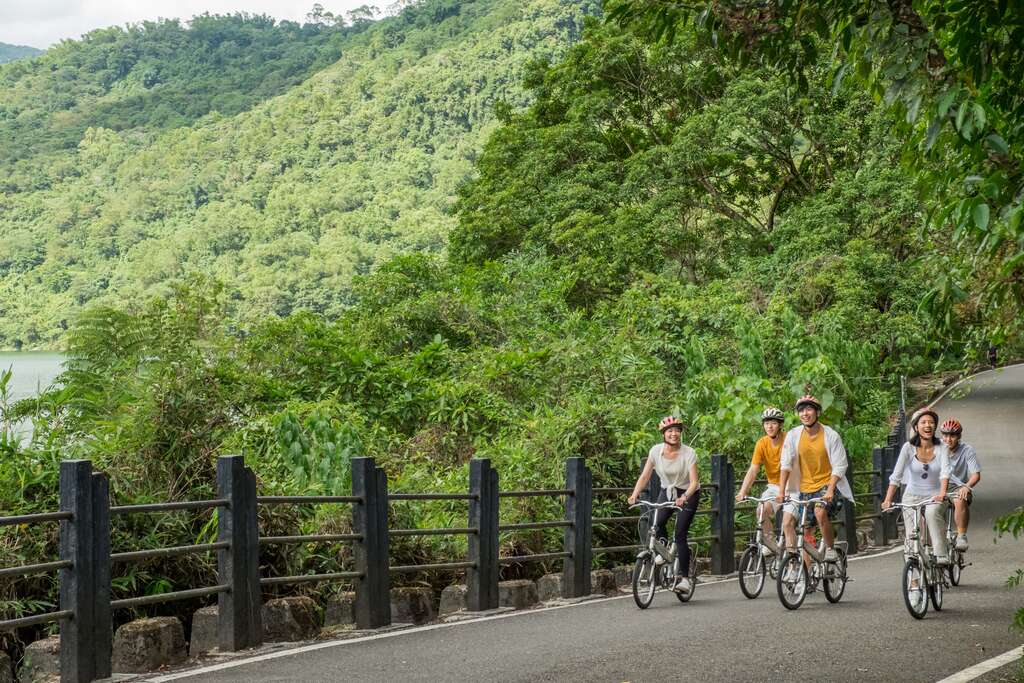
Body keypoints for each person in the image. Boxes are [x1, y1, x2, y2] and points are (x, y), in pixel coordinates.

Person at [774, 395, 853, 564]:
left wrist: (831, 489)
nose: (805, 413)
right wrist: (781, 491)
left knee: (820, 511)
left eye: (809, 409)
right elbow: (786, 464)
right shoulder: (794, 435)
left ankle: (830, 549)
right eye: (801, 410)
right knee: (805, 530)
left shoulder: (831, 435)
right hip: (803, 488)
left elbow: (840, 465)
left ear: (817, 412)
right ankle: (807, 575)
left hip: (828, 485)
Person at [628, 415, 701, 593]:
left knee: (680, 534)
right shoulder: (655, 451)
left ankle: (684, 579)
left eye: (677, 430)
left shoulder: (689, 453)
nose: (674, 434)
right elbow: (645, 476)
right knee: (656, 522)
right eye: (670, 431)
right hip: (667, 491)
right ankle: (663, 549)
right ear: (663, 434)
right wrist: (634, 494)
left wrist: (684, 497)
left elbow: (694, 482)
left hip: (688, 493)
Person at [881, 407, 951, 565]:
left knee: (932, 515)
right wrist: (887, 500)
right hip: (912, 496)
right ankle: (913, 581)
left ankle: (941, 554)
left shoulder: (942, 447)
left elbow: (945, 472)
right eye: (924, 422)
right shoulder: (908, 448)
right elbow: (896, 477)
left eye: (931, 422)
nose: (928, 425)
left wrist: (942, 493)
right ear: (916, 427)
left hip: (935, 496)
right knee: (912, 536)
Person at [736, 407, 786, 557]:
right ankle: (771, 542)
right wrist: (742, 491)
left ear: (780, 425)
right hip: (774, 487)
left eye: (773, 423)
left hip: (793, 485)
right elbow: (753, 470)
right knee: (761, 510)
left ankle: (794, 557)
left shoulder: (788, 439)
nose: (769, 426)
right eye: (766, 423)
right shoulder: (762, 443)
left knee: (791, 523)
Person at [939, 418, 981, 551]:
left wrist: (966, 486)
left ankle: (962, 536)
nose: (948, 439)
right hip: (939, 485)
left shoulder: (967, 450)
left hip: (958, 486)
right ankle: (928, 539)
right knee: (925, 504)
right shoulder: (936, 448)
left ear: (959, 436)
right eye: (945, 435)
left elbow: (976, 474)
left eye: (952, 435)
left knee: (960, 498)